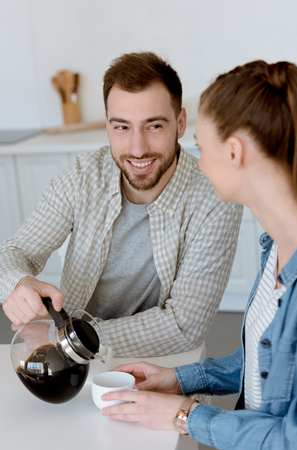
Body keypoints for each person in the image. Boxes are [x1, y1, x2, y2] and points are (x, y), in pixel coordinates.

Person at [99, 60, 297, 448]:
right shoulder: (275, 246)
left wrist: (184, 416)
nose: (198, 163)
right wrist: (180, 378)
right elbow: (271, 362)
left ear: (235, 152)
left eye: (201, 148)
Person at [0, 52, 242, 357]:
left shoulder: (215, 196)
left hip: (163, 360)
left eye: (154, 126)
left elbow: (184, 326)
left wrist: (72, 337)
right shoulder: (82, 175)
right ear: (107, 126)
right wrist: (19, 282)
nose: (137, 149)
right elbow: (14, 253)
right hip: (73, 356)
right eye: (122, 127)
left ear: (180, 123)